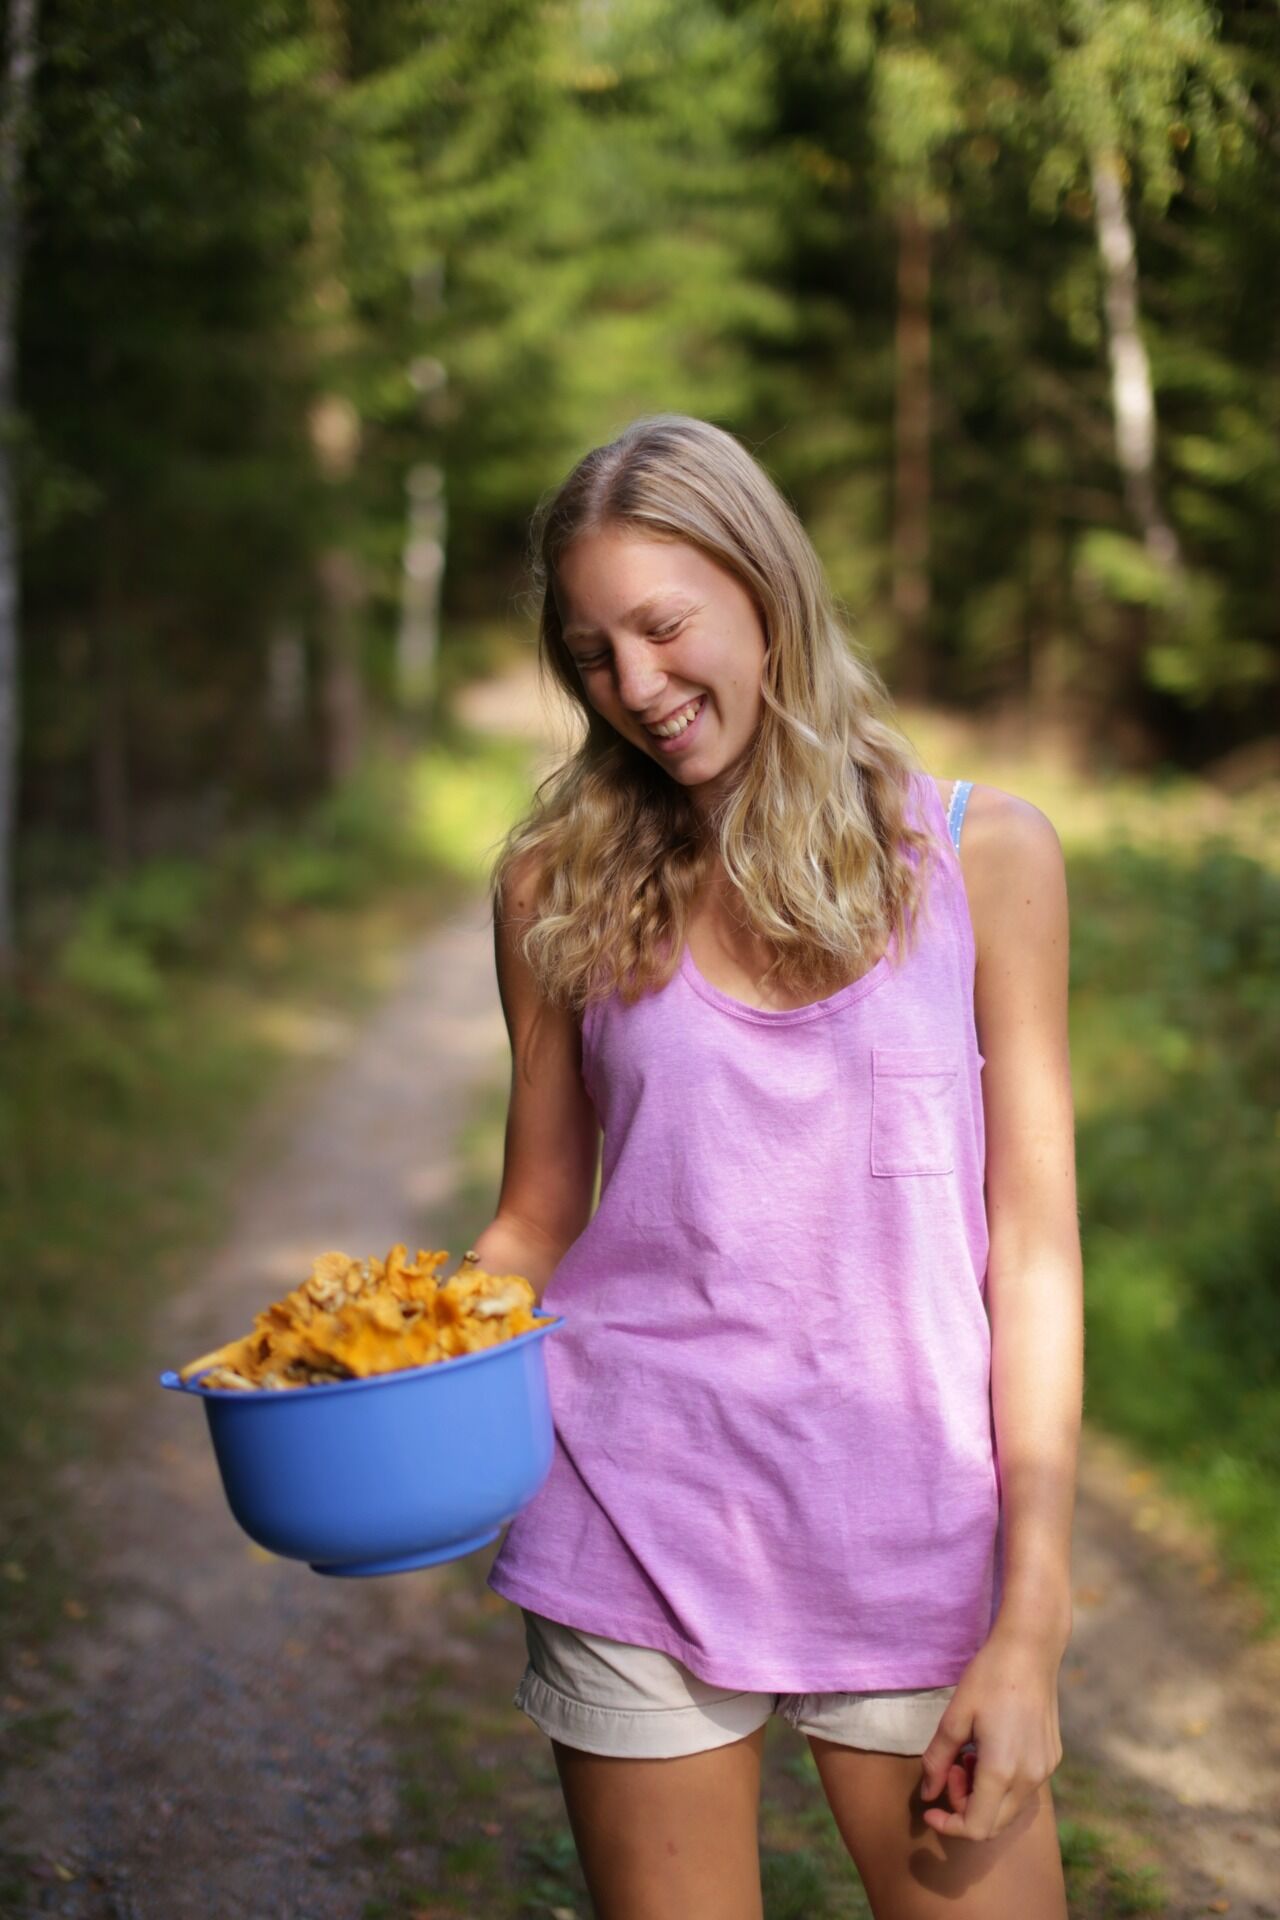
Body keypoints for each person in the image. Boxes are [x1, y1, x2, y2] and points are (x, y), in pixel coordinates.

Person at [462, 413, 1082, 1919]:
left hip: (913, 1531)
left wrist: (1031, 1626)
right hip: (636, 1497)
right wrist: (383, 1355)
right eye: (592, 653)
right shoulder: (553, 883)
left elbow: (1033, 1249)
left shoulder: (985, 856)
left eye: (664, 627)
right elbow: (537, 1214)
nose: (637, 687)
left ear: (766, 587)